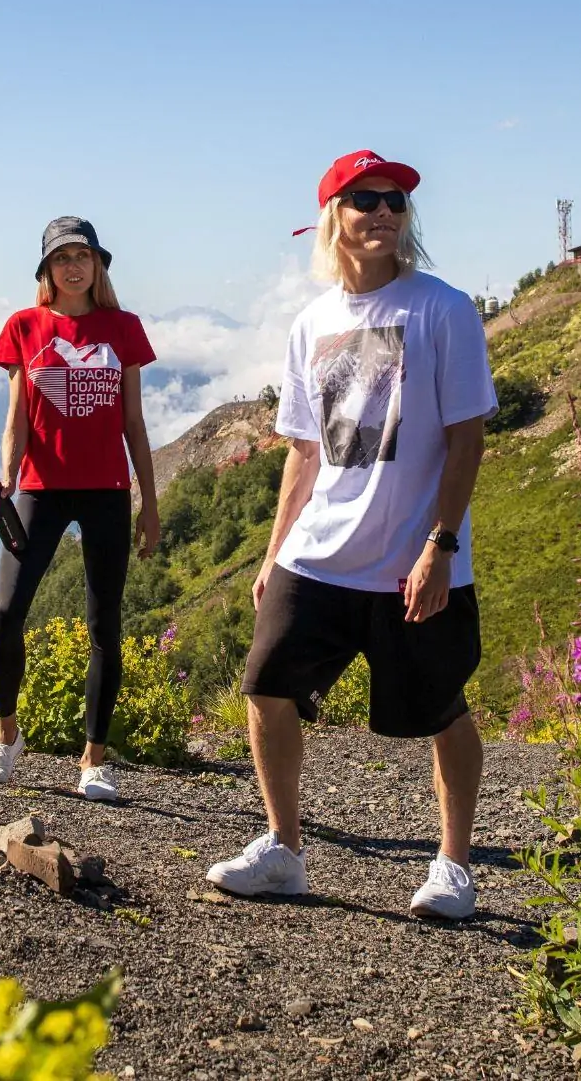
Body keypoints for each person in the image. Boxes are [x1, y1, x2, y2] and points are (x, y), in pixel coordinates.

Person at [206, 151, 496, 919]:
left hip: (413, 559)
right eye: (364, 199)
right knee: (265, 685)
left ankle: (454, 865)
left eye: (395, 200)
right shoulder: (313, 322)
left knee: (442, 708)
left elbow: (468, 441)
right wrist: (273, 554)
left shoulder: (443, 309)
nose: (383, 212)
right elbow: (305, 451)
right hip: (319, 553)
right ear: (333, 214)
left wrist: (441, 546)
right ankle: (283, 849)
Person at [0, 217, 160, 802]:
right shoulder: (24, 327)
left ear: (98, 265)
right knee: (7, 613)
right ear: (46, 270)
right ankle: (8, 735)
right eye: (62, 258)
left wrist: (148, 503)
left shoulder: (123, 329)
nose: (74, 266)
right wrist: (7, 479)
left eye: (84, 255)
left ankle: (93, 760)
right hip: (38, 487)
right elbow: (17, 419)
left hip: (106, 489)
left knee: (105, 624)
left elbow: (134, 422)